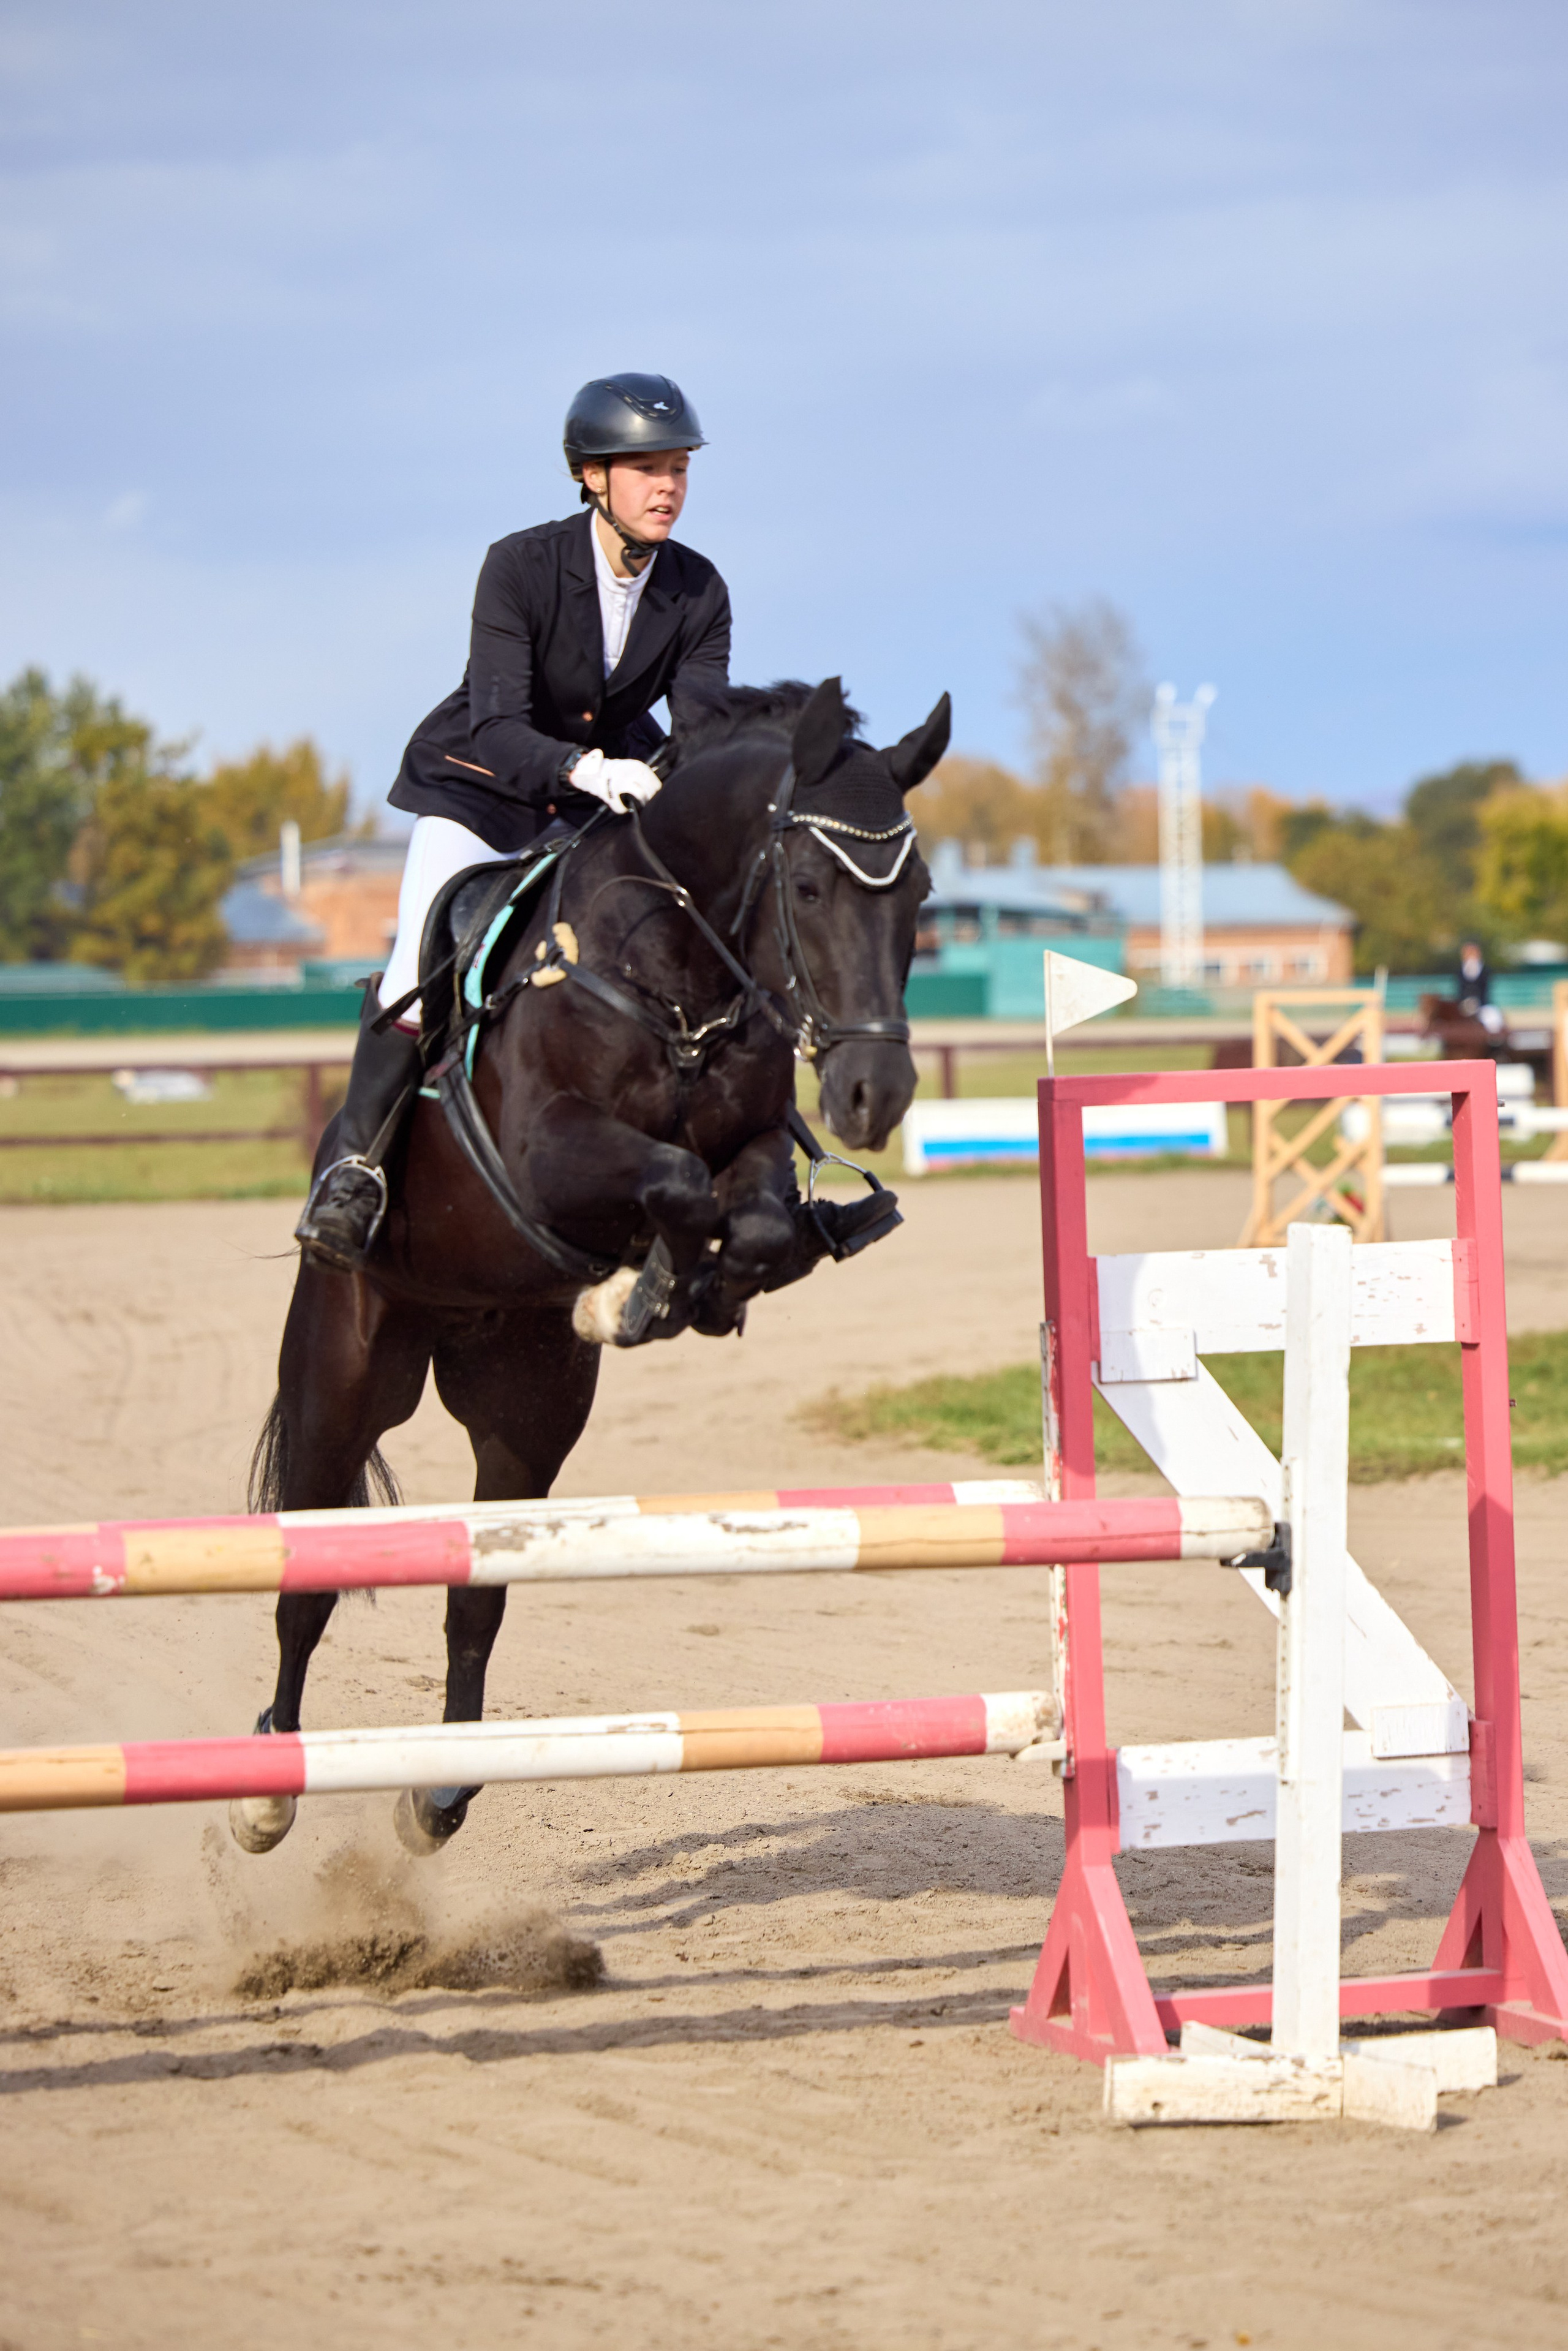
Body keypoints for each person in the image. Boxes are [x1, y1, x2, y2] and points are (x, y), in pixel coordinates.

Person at [297, 374, 729, 1270]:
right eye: (646, 467)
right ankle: (356, 1172)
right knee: (421, 960)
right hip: (481, 791)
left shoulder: (698, 589)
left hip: (589, 804)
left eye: (679, 467)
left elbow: (701, 732)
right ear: (589, 476)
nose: (668, 486)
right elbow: (498, 722)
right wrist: (583, 766)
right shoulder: (520, 566)